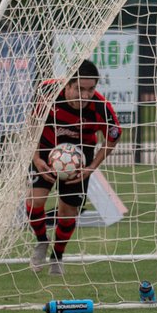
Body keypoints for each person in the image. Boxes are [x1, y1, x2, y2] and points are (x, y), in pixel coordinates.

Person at [27, 59, 122, 276]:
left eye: (91, 89)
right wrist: (35, 158)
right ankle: (42, 241)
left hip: (79, 161)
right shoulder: (47, 91)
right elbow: (32, 125)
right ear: (67, 85)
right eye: (80, 89)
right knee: (34, 202)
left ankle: (57, 256)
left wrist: (91, 168)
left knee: (68, 213)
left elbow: (112, 138)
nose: (85, 95)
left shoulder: (101, 107)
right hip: (44, 152)